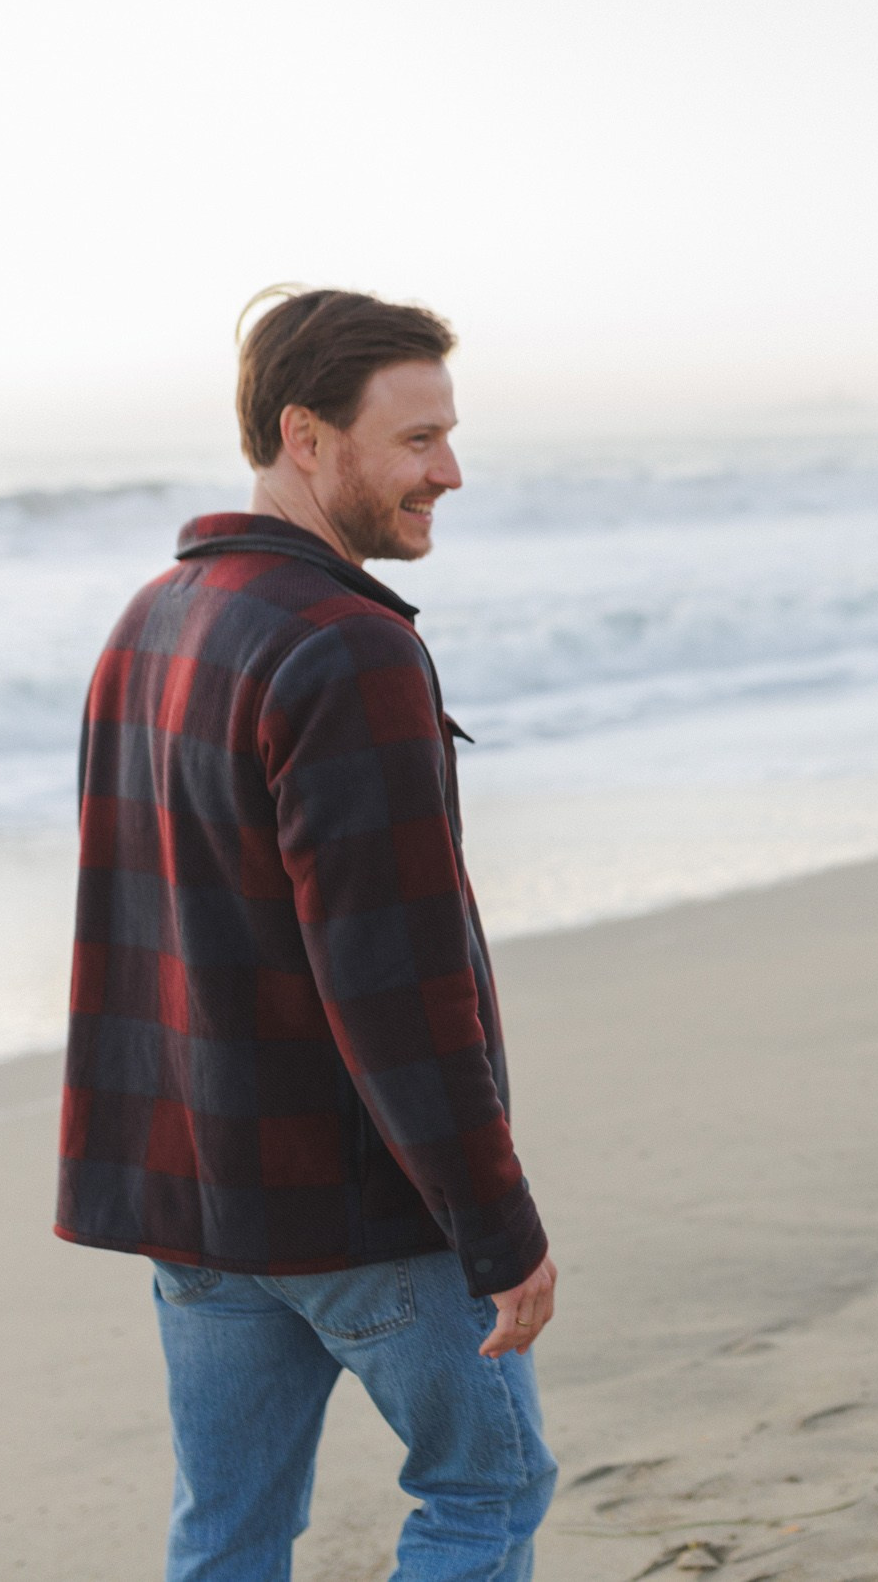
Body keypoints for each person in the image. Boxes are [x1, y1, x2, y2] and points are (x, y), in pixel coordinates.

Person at [56, 288, 560, 1582]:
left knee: (224, 1532)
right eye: (416, 440)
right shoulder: (350, 650)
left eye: (447, 435)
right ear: (307, 437)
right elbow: (395, 983)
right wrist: (499, 1227)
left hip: (196, 1202)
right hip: (359, 1211)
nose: (449, 471)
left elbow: (137, 927)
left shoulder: (148, 622)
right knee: (488, 1493)